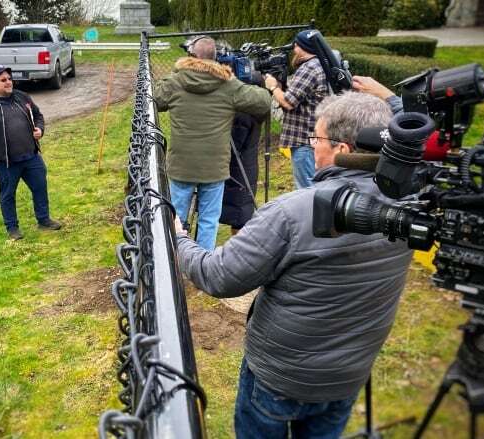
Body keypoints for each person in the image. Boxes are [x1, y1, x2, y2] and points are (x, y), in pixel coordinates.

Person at [174, 92, 413, 438]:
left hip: (280, 378)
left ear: (343, 151)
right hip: (348, 374)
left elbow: (218, 276)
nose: (312, 147)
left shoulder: (292, 212)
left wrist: (179, 238)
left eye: (316, 138)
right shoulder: (410, 206)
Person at [153, 36, 271, 250]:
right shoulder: (228, 84)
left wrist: (171, 77)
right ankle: (202, 267)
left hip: (182, 165)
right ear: (216, 58)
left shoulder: (177, 81)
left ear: (191, 56)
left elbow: (156, 99)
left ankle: (172, 262)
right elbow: (263, 102)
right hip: (214, 168)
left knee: (176, 217)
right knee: (209, 220)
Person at [0, 64, 62, 240]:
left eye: (10, 79)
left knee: (40, 187)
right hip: (6, 163)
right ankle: (12, 228)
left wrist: (40, 130)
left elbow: (38, 115)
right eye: (3, 80)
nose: (8, 82)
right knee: (7, 195)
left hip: (31, 157)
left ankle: (44, 220)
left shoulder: (22, 97)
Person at [264, 29, 328, 189]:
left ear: (302, 47)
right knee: (313, 185)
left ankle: (309, 215)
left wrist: (272, 86)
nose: (294, 49)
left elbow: (288, 102)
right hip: (313, 138)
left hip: (304, 140)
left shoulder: (309, 68)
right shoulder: (319, 63)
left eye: (296, 45)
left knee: (306, 188)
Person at [219, 113, 262, 235]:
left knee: (240, 216)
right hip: (245, 167)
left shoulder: (242, 115)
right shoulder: (253, 109)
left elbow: (234, 145)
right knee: (240, 214)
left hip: (239, 171)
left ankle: (239, 249)